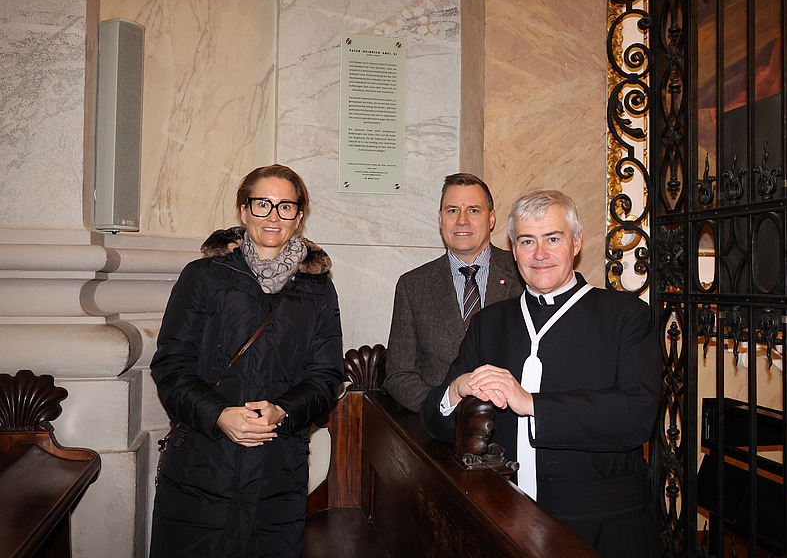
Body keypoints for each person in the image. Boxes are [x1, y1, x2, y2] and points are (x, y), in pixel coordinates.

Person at [421, 188, 662, 558]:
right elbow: (438, 424)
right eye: (526, 241)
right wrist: (456, 389)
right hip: (504, 516)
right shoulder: (490, 323)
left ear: (576, 243)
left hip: (599, 523)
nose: (540, 254)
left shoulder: (625, 317)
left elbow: (636, 416)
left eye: (553, 238)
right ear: (513, 248)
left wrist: (531, 403)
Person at [150, 165, 343, 557]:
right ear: (243, 211)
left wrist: (282, 411)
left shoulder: (318, 290)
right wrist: (220, 414)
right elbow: (171, 366)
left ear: (299, 216)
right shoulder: (203, 276)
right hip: (202, 465)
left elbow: (326, 377)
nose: (273, 216)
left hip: (277, 470)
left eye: (285, 206)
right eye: (262, 204)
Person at [382, 173, 524, 412]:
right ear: (440, 219)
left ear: (491, 219)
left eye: (474, 210)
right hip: (440, 433)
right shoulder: (413, 286)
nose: (462, 220)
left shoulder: (523, 275)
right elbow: (399, 374)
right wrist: (444, 408)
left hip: (513, 425)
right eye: (452, 211)